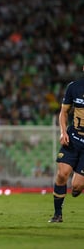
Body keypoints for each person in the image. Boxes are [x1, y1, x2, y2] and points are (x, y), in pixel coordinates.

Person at [49, 65, 84, 223]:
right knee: (62, 174)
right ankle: (57, 215)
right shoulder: (73, 87)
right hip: (74, 138)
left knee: (76, 187)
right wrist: (63, 132)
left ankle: (79, 185)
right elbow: (63, 112)